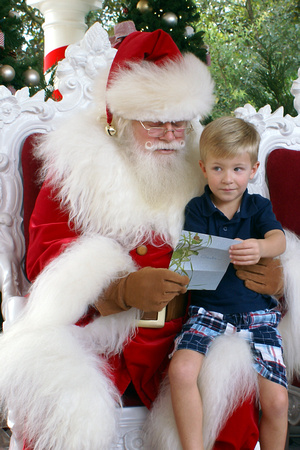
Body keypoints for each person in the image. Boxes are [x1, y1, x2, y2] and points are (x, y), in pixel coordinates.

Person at [0, 24, 293, 450]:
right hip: (98, 331)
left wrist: (271, 273)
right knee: (62, 399)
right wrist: (118, 291)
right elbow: (45, 258)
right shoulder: (75, 170)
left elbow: (242, 232)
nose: (172, 138)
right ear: (117, 119)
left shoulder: (206, 165)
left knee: (231, 384)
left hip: (190, 326)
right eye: (156, 125)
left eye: (180, 123)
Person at [168, 116, 288, 450]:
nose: (228, 179)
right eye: (218, 168)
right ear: (203, 168)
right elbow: (189, 263)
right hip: (208, 313)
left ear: (253, 170)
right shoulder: (198, 209)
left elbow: (279, 239)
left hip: (258, 318)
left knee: (277, 402)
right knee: (180, 372)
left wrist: (262, 247)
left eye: (237, 169)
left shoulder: (257, 207)